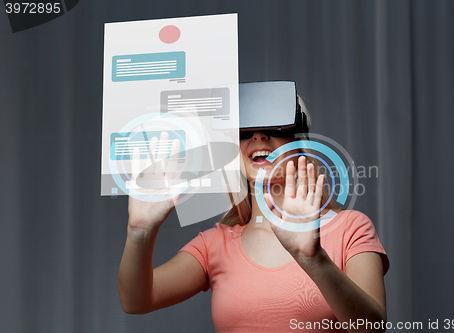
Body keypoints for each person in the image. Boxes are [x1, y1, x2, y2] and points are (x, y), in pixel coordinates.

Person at [118, 82, 389, 332]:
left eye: (275, 129)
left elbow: (372, 327)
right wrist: (139, 231)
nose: (259, 137)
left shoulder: (350, 228)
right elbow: (136, 301)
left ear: (299, 143)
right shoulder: (216, 244)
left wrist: (314, 259)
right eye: (244, 131)